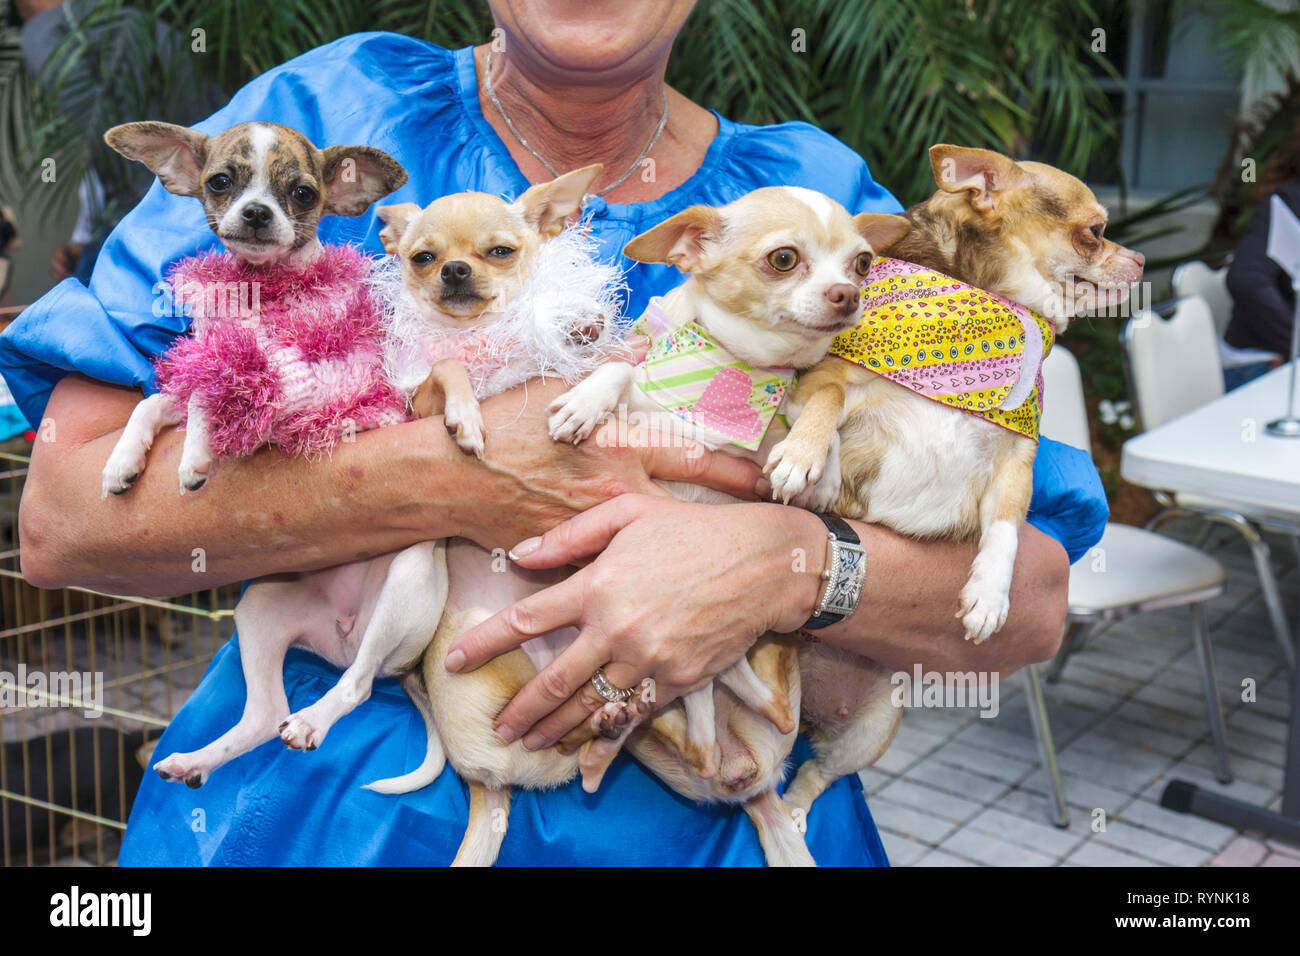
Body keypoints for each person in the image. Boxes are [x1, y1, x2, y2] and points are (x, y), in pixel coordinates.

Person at [0, 1, 1104, 865]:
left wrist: (788, 563)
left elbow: (1032, 597)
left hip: (720, 816)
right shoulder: (329, 114)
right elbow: (64, 522)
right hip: (339, 825)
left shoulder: (818, 206)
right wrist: (452, 476)